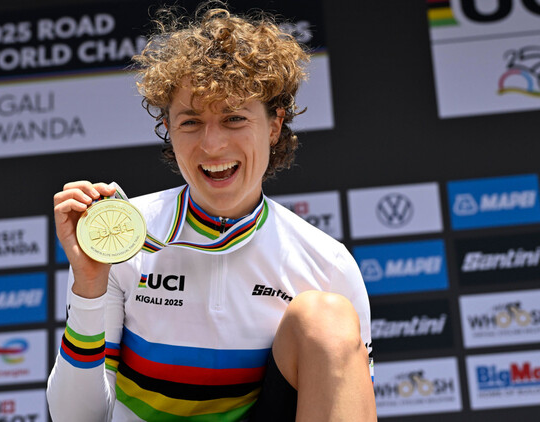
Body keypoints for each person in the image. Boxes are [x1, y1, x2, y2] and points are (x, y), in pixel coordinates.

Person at [47, 4, 376, 421]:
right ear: (169, 129)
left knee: (326, 317)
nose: (212, 145)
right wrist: (89, 287)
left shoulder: (326, 264)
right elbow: (76, 419)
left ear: (274, 126)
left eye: (234, 118)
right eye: (190, 122)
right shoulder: (126, 240)